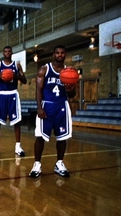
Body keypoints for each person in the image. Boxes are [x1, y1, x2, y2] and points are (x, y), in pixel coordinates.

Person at [29, 45, 76, 178]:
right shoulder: (44, 69)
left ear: (65, 55)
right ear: (53, 55)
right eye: (57, 53)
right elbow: (38, 90)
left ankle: (59, 163)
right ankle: (37, 164)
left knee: (62, 137)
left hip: (62, 106)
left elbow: (72, 94)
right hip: (47, 106)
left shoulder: (69, 72)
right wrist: (39, 107)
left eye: (62, 53)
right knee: (40, 137)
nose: (60, 55)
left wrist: (69, 89)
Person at [0, 46, 27, 157]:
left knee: (17, 122)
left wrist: (17, 76)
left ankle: (18, 147)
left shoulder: (17, 65)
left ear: (12, 52)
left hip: (13, 94)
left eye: (9, 51)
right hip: (1, 94)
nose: (7, 53)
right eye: (5, 51)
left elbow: (24, 80)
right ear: (3, 53)